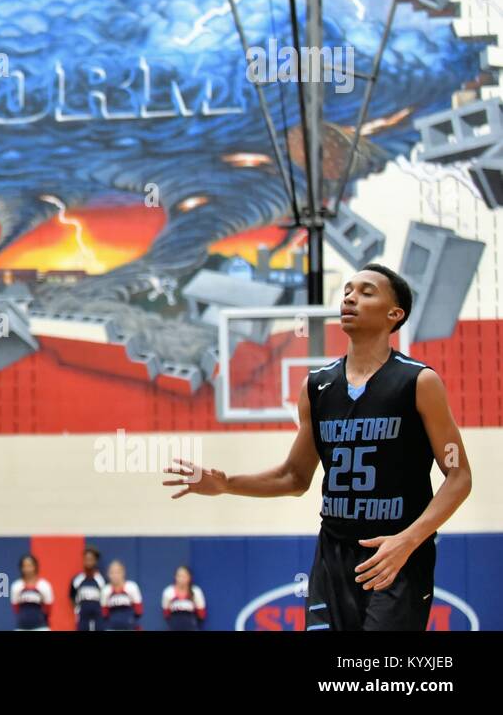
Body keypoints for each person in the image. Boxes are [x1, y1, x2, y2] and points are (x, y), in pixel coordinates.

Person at [165, 264, 473, 632]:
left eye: (366, 291)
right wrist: (227, 482)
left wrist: (409, 540)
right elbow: (294, 477)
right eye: (347, 290)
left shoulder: (419, 382)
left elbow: (459, 475)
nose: (350, 297)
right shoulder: (318, 386)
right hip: (332, 558)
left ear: (395, 314)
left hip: (397, 556)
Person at [11, 554, 53, 630]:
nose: (27, 569)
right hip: (22, 627)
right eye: (25, 566)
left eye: (30, 566)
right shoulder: (16, 586)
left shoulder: (44, 585)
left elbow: (48, 609)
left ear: (35, 567)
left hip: (41, 627)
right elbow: (16, 608)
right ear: (21, 568)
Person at [70, 546, 107, 631]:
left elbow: (106, 598)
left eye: (91, 559)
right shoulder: (77, 580)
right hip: (82, 617)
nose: (88, 562)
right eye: (86, 559)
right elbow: (71, 596)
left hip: (98, 617)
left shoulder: (102, 580)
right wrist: (77, 609)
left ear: (95, 561)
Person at [100, 560, 143, 631]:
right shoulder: (105, 590)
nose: (115, 575)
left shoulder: (132, 587)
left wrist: (132, 623)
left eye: (117, 572)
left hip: (129, 626)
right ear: (108, 574)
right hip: (112, 627)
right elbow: (104, 613)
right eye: (112, 573)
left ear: (123, 572)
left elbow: (138, 611)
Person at [161, 565, 205, 631]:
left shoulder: (196, 591)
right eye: (179, 576)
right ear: (175, 577)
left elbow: (201, 614)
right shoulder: (168, 592)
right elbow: (166, 613)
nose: (181, 579)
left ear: (189, 577)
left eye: (184, 576)